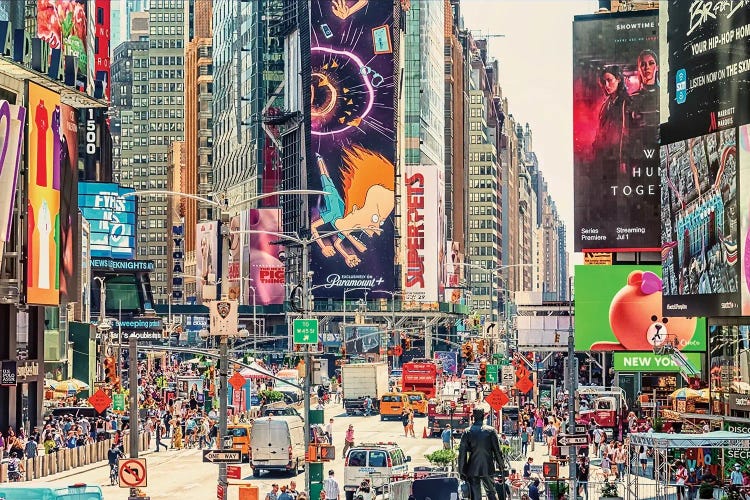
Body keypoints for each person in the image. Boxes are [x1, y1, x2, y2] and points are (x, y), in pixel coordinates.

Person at [457, 408, 505, 500]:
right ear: (483, 416)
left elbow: (462, 453)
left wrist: (461, 470)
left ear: (473, 417)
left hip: (472, 468)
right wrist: (501, 465)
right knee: (491, 492)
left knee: (476, 496)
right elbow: (497, 451)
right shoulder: (491, 431)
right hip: (487, 467)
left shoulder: (467, 432)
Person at [592, 65, 631, 174]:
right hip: (604, 157)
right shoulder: (605, 105)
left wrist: (623, 160)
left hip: (617, 157)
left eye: (609, 80)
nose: (607, 85)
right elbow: (600, 129)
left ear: (618, 79)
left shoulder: (626, 102)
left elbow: (627, 134)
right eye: (604, 82)